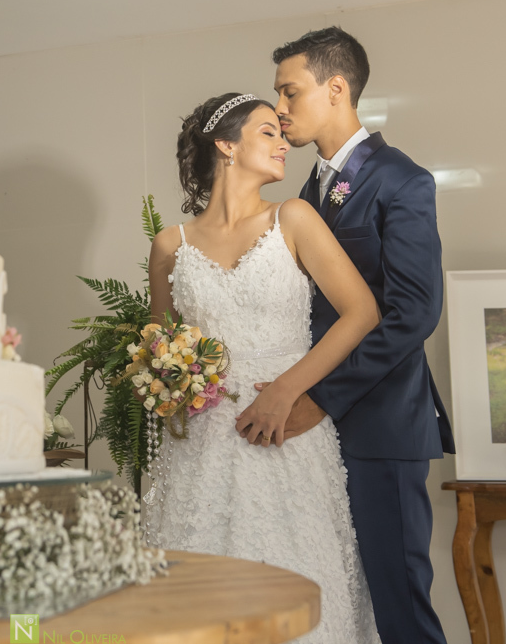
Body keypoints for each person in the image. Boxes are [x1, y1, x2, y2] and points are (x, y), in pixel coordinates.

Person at [144, 92, 383, 643]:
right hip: (200, 443)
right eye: (268, 133)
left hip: (285, 430)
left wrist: (285, 390)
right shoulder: (168, 245)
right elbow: (160, 350)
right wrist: (165, 384)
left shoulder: (293, 219)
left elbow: (362, 312)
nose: (284, 144)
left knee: (296, 584)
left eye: (282, 133)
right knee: (197, 598)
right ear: (226, 146)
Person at [258, 27, 455, 644]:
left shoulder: (403, 179)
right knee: (344, 601)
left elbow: (413, 311)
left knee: (398, 604)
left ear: (336, 88)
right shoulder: (309, 190)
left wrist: (320, 397)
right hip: (314, 439)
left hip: (382, 425)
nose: (281, 109)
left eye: (290, 93)